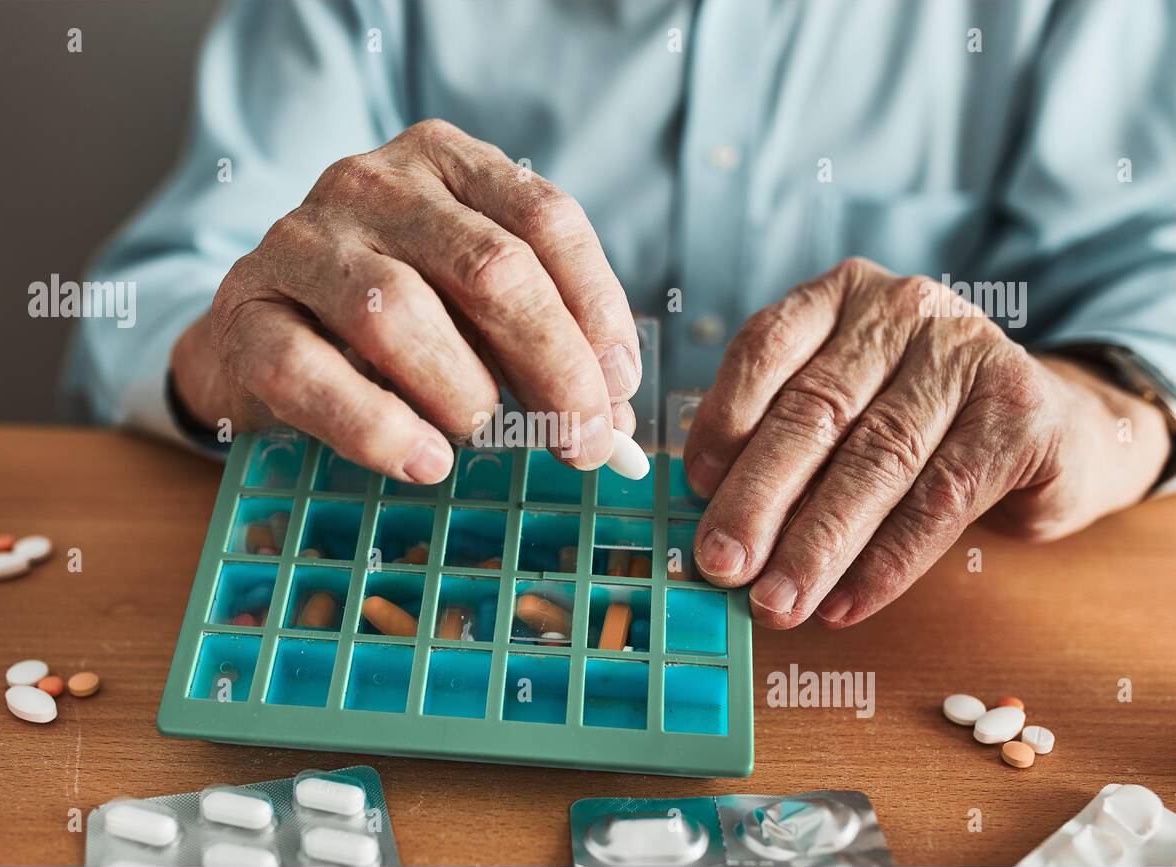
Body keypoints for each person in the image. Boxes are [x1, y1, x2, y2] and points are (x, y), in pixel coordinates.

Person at [66, 0, 1176, 630]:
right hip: (435, 575)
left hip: (903, 643)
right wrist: (235, 349)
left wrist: (1085, 414)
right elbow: (156, 293)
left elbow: (1151, 285)